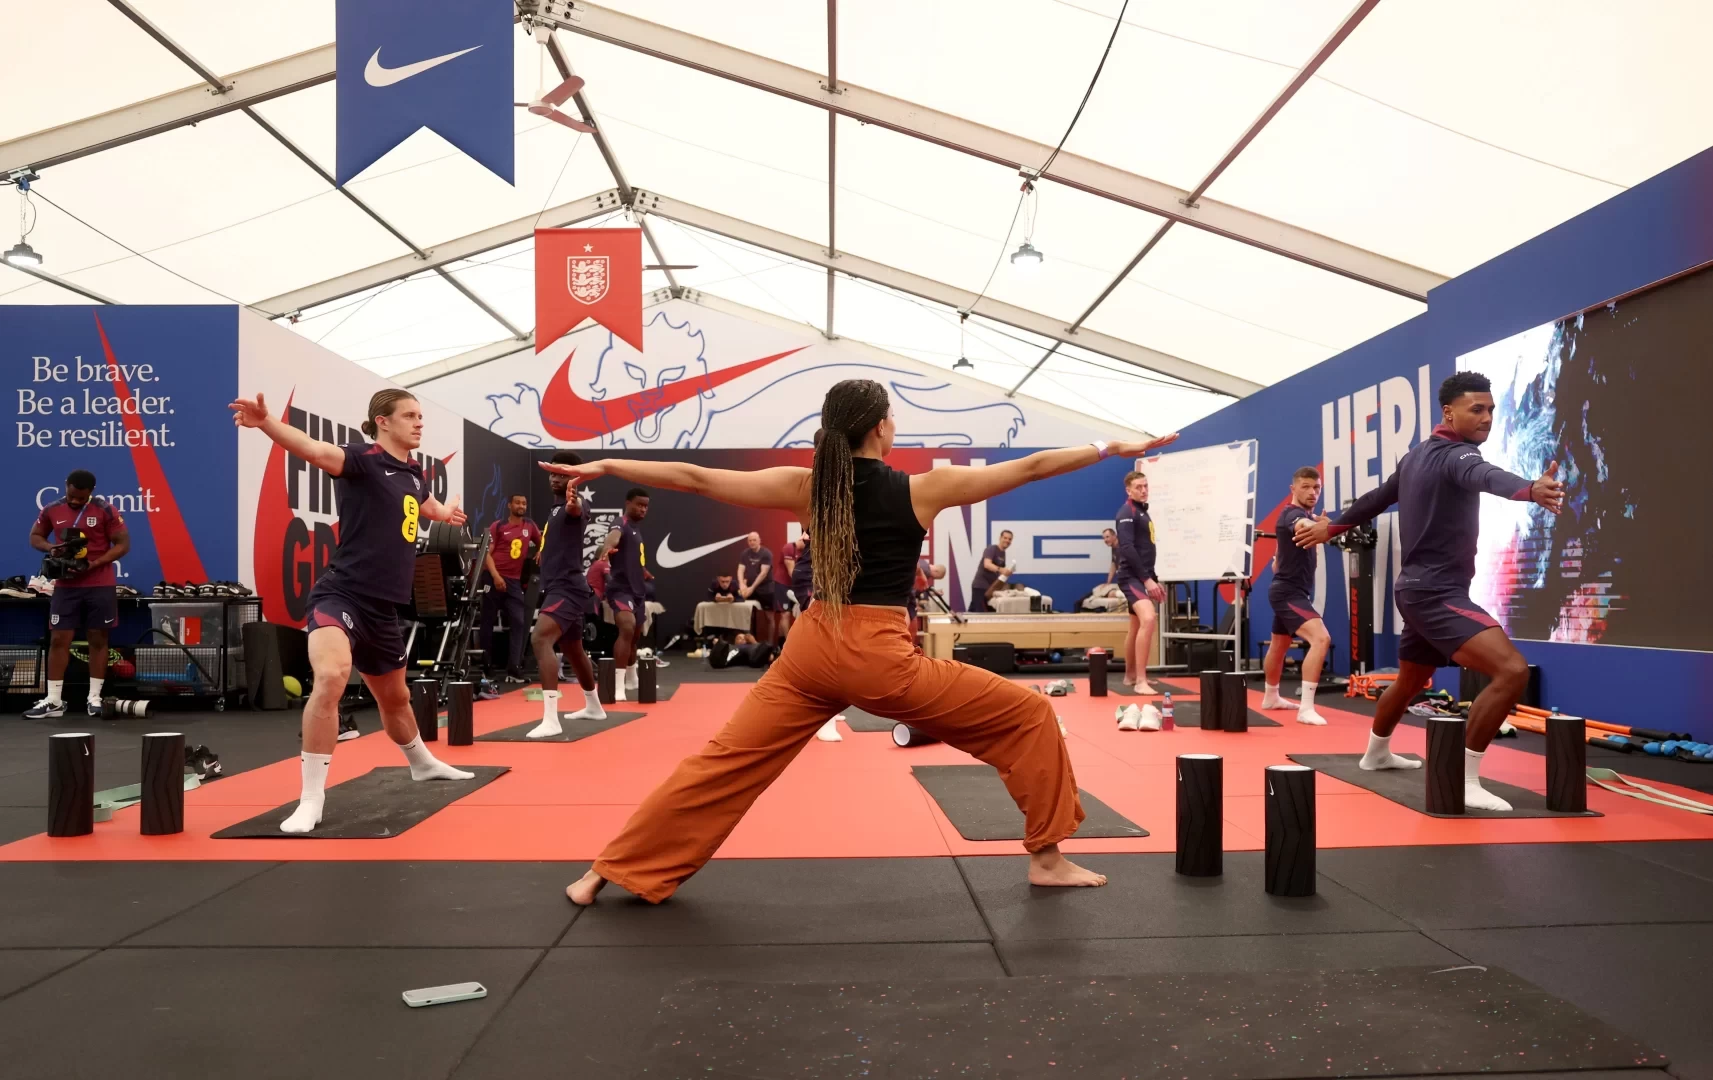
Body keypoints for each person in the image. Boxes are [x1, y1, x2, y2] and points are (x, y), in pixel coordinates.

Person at [549, 378, 1178, 905]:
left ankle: (604, 871)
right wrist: (1110, 446)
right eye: (893, 418)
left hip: (809, 649)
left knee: (720, 765)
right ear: (880, 427)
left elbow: (693, 476)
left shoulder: (807, 486)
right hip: (877, 655)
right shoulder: (921, 489)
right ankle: (1046, 858)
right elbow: (1033, 466)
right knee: (1032, 715)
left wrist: (605, 464)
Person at [1295, 371, 1564, 811]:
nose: (1486, 417)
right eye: (1476, 409)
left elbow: (1376, 499)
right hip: (1435, 593)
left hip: (1417, 589)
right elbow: (1486, 475)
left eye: (1491, 409)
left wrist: (1332, 527)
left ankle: (1376, 753)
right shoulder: (1456, 456)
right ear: (1448, 412)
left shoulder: (1417, 456)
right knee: (1512, 671)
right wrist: (1530, 489)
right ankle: (1465, 779)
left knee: (1413, 679)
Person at [228, 388, 474, 833]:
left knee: (395, 701)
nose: (420, 423)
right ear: (383, 421)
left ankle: (421, 763)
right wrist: (265, 423)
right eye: (410, 416)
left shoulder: (414, 475)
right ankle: (310, 798)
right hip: (340, 594)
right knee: (331, 676)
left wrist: (447, 513)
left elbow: (427, 506)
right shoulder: (362, 460)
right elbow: (314, 448)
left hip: (384, 609)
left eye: (421, 416)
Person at [25, 470, 129, 719]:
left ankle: (94, 698)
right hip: (66, 585)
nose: (75, 501)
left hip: (99, 583)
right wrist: (52, 548)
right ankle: (54, 701)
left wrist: (96, 563)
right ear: (66, 486)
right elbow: (35, 536)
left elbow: (123, 544)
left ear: (90, 492)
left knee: (97, 638)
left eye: (81, 499)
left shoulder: (106, 510)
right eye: (72, 496)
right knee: (59, 639)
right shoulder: (52, 509)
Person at [527, 452, 604, 738]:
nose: (555, 478)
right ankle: (594, 706)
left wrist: (575, 501)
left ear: (575, 478)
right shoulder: (554, 509)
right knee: (573, 648)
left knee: (540, 638)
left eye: (562, 474)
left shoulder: (575, 505)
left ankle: (551, 719)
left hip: (567, 588)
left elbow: (577, 510)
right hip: (559, 585)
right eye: (553, 473)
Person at [1259, 467, 1331, 725]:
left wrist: (1278, 559)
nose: (1312, 492)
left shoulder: (1301, 516)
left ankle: (1271, 696)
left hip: (1290, 589)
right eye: (1306, 487)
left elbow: (1283, 549)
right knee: (1321, 639)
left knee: (1279, 645)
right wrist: (1322, 527)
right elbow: (1302, 524)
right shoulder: (1294, 514)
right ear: (1293, 489)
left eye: (1317, 488)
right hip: (1287, 593)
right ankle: (1306, 708)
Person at [597, 488, 650, 701]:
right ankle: (618, 686)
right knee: (626, 628)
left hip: (638, 591)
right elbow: (613, 537)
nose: (643, 509)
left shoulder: (637, 530)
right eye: (639, 504)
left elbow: (633, 558)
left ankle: (632, 678)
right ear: (628, 503)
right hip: (620, 589)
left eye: (646, 506)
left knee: (635, 636)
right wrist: (608, 548)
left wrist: (643, 571)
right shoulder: (621, 522)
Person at [1114, 471, 1164, 694]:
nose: (1143, 490)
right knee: (1149, 618)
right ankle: (1141, 682)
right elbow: (1127, 548)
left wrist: (1152, 578)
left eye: (1145, 486)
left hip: (1142, 575)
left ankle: (1130, 676)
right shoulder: (1127, 512)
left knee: (1135, 626)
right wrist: (1146, 580)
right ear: (1128, 490)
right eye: (1138, 487)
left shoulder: (1142, 513)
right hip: (1130, 576)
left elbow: (1145, 549)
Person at [481, 493, 540, 683]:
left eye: (524, 503)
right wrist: (496, 576)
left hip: (514, 582)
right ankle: (486, 667)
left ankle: (514, 669)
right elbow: (486, 555)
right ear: (509, 505)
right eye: (517, 502)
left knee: (519, 622)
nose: (521, 505)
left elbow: (544, 541)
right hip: (492, 577)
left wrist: (541, 551)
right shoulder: (498, 526)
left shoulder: (529, 526)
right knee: (487, 622)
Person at [736, 531, 778, 644]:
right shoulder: (745, 553)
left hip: (766, 589)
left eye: (754, 540)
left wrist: (751, 588)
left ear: (759, 540)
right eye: (750, 540)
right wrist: (742, 584)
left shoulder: (766, 553)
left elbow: (763, 573)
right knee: (747, 615)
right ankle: (748, 643)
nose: (752, 542)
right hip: (750, 588)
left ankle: (770, 645)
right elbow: (740, 569)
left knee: (769, 618)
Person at [967, 530, 1013, 612]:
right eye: (1005, 538)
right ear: (1000, 538)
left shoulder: (1003, 553)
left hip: (990, 588)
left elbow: (999, 572)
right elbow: (987, 564)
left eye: (1009, 539)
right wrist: (1001, 569)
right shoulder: (992, 549)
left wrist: (1007, 572)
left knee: (974, 610)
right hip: (980, 586)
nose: (1007, 540)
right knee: (979, 612)